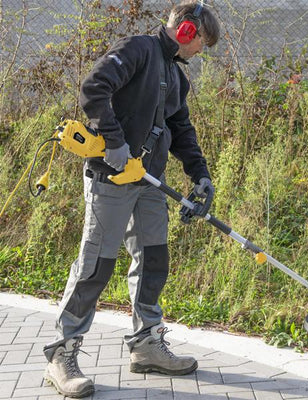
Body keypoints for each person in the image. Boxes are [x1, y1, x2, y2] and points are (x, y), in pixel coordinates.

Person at [42, 1, 220, 398]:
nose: (198, 53)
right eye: (201, 44)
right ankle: (62, 352)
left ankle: (147, 345)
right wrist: (115, 141)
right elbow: (94, 88)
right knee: (96, 265)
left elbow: (181, 128)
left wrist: (200, 174)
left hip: (149, 183)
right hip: (111, 178)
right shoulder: (137, 49)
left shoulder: (176, 76)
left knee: (154, 260)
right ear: (187, 31)